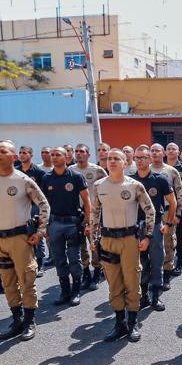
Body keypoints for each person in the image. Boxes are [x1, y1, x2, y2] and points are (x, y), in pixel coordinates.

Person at [0, 142, 50, 341]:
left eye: (3, 152)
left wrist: (40, 231)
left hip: (20, 240)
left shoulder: (23, 180)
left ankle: (29, 321)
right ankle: (17, 319)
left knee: (26, 280)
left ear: (13, 157)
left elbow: (44, 205)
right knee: (8, 282)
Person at [91, 149, 156, 342]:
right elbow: (95, 213)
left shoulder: (134, 185)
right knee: (114, 283)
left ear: (124, 163)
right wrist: (93, 239)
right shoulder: (98, 185)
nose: (111, 161)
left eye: (116, 158)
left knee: (132, 280)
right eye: (109, 158)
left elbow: (149, 210)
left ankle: (133, 322)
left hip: (129, 239)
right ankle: (119, 323)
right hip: (107, 239)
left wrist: (148, 236)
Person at [40, 147, 91, 307]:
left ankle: (76, 291)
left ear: (66, 157)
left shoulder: (75, 176)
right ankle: (65, 290)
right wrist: (44, 226)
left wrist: (89, 223)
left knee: (74, 258)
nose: (54, 157)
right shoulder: (47, 177)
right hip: (55, 223)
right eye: (52, 155)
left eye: (58, 155)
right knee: (59, 259)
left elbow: (87, 201)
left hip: (73, 223)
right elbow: (43, 204)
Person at [129, 145, 175, 311]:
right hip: (136, 228)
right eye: (137, 157)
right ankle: (144, 296)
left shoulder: (160, 179)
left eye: (143, 157)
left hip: (155, 226)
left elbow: (173, 201)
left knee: (157, 261)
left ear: (150, 159)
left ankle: (156, 296)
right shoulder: (130, 181)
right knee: (140, 263)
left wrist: (168, 224)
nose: (140, 161)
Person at [149, 143, 182, 283]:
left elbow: (180, 193)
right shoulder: (145, 170)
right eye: (152, 151)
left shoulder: (171, 171)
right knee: (151, 243)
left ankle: (167, 272)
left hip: (167, 210)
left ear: (163, 153)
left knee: (168, 242)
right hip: (150, 212)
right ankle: (154, 273)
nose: (154, 153)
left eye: (157, 150)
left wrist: (177, 213)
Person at [73, 144, 106, 290]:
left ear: (88, 154)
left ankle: (97, 272)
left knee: (95, 244)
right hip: (76, 213)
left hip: (94, 213)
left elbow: (107, 188)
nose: (79, 154)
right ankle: (85, 272)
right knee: (81, 246)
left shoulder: (97, 170)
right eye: (77, 151)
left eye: (82, 152)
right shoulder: (70, 171)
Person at [18, 145, 49, 277]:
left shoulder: (38, 172)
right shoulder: (16, 171)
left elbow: (43, 194)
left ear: (31, 155)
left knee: (37, 236)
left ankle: (40, 263)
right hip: (20, 207)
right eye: (20, 153)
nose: (22, 155)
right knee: (22, 236)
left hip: (34, 207)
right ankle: (26, 262)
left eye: (25, 153)